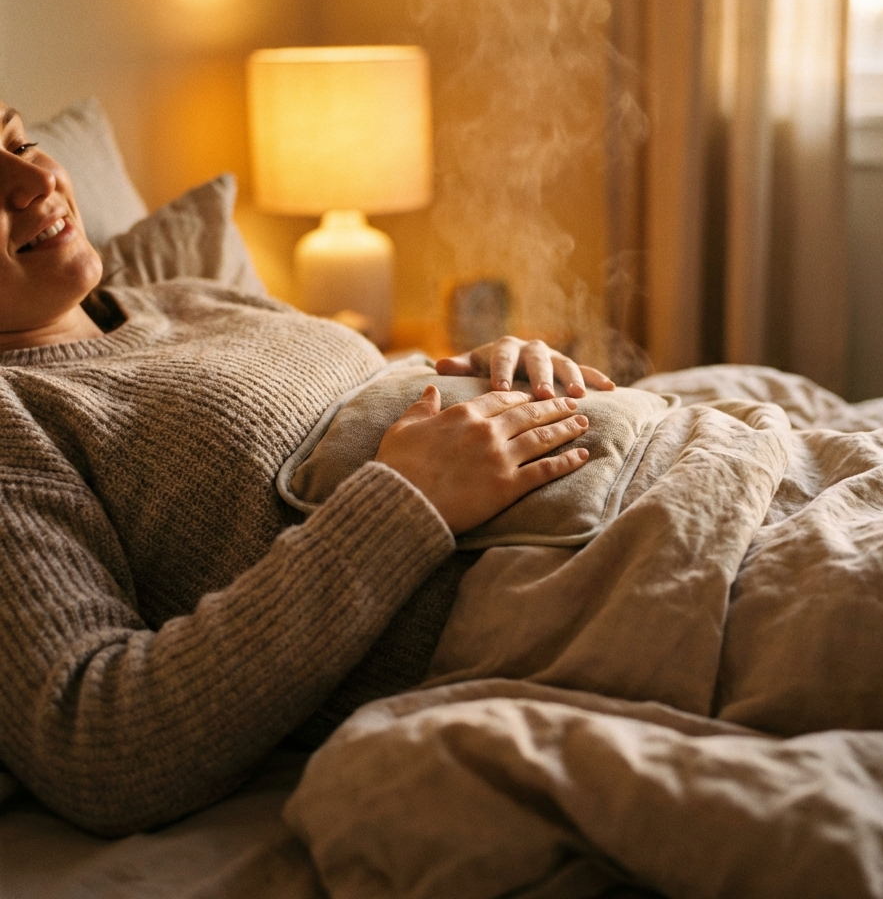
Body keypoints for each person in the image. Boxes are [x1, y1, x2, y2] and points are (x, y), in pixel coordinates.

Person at [0, 101, 614, 836]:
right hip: (596, 588)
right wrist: (406, 502)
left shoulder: (184, 296)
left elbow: (372, 398)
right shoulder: (17, 414)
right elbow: (98, 746)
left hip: (686, 468)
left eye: (19, 141)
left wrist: (484, 373)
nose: (33, 181)